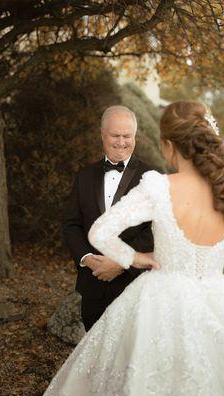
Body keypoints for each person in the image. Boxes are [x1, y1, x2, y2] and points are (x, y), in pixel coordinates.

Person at [42, 100, 224, 396]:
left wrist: (136, 258)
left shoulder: (158, 187)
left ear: (167, 145)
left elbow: (100, 231)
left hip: (159, 303)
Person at [63, 105, 159, 331]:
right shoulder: (84, 176)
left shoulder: (153, 178)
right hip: (92, 285)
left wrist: (122, 261)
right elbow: (71, 225)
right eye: (115, 135)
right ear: (102, 135)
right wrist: (86, 258)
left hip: (135, 284)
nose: (121, 142)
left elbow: (157, 228)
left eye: (127, 136)